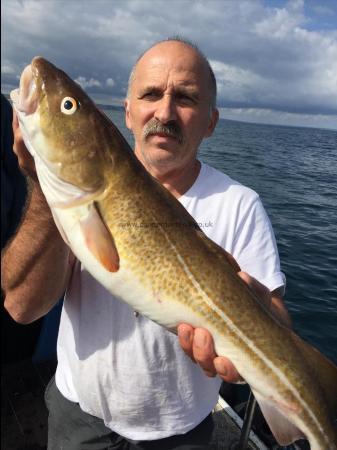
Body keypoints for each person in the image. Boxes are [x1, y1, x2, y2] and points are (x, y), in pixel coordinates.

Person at [2, 38, 291, 449]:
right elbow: (22, 307)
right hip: (78, 418)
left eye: (186, 98)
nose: (165, 111)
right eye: (151, 94)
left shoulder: (240, 205)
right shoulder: (78, 196)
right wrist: (45, 184)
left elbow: (276, 319)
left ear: (210, 121)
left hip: (179, 433)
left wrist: (251, 347)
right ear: (128, 112)